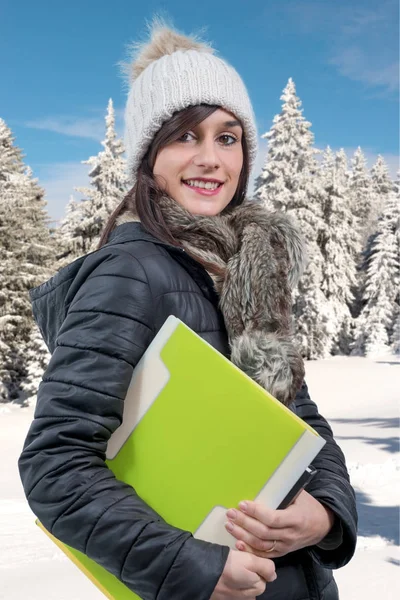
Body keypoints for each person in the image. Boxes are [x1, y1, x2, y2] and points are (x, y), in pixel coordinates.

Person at [18, 20, 357, 600]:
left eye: (227, 138)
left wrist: (325, 515)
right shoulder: (132, 272)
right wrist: (195, 567)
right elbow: (56, 465)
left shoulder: (245, 271)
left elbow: (302, 424)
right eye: (184, 137)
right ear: (149, 159)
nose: (210, 159)